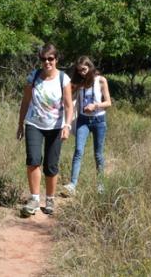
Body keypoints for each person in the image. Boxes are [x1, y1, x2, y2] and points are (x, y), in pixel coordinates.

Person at [17, 43, 73, 217]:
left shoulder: (63, 79)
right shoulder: (33, 77)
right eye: (43, 59)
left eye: (50, 59)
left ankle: (49, 199)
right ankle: (34, 198)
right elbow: (25, 102)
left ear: (56, 59)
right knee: (33, 160)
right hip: (34, 124)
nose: (47, 62)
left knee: (51, 165)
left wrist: (67, 125)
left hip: (55, 127)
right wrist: (20, 124)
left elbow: (69, 105)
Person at [62, 56, 112, 196]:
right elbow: (70, 100)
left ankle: (100, 185)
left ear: (90, 67)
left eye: (84, 69)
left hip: (99, 121)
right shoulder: (79, 83)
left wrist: (95, 106)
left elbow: (108, 103)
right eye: (79, 71)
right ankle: (72, 184)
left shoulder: (101, 80)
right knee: (78, 151)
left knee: (98, 154)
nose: (82, 73)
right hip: (83, 121)